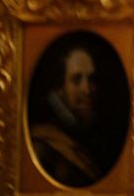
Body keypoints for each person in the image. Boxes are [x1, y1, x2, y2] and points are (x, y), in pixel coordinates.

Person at [29, 45, 103, 187]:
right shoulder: (43, 144)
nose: (87, 90)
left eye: (91, 79)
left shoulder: (84, 131)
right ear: (59, 88)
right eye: (76, 80)